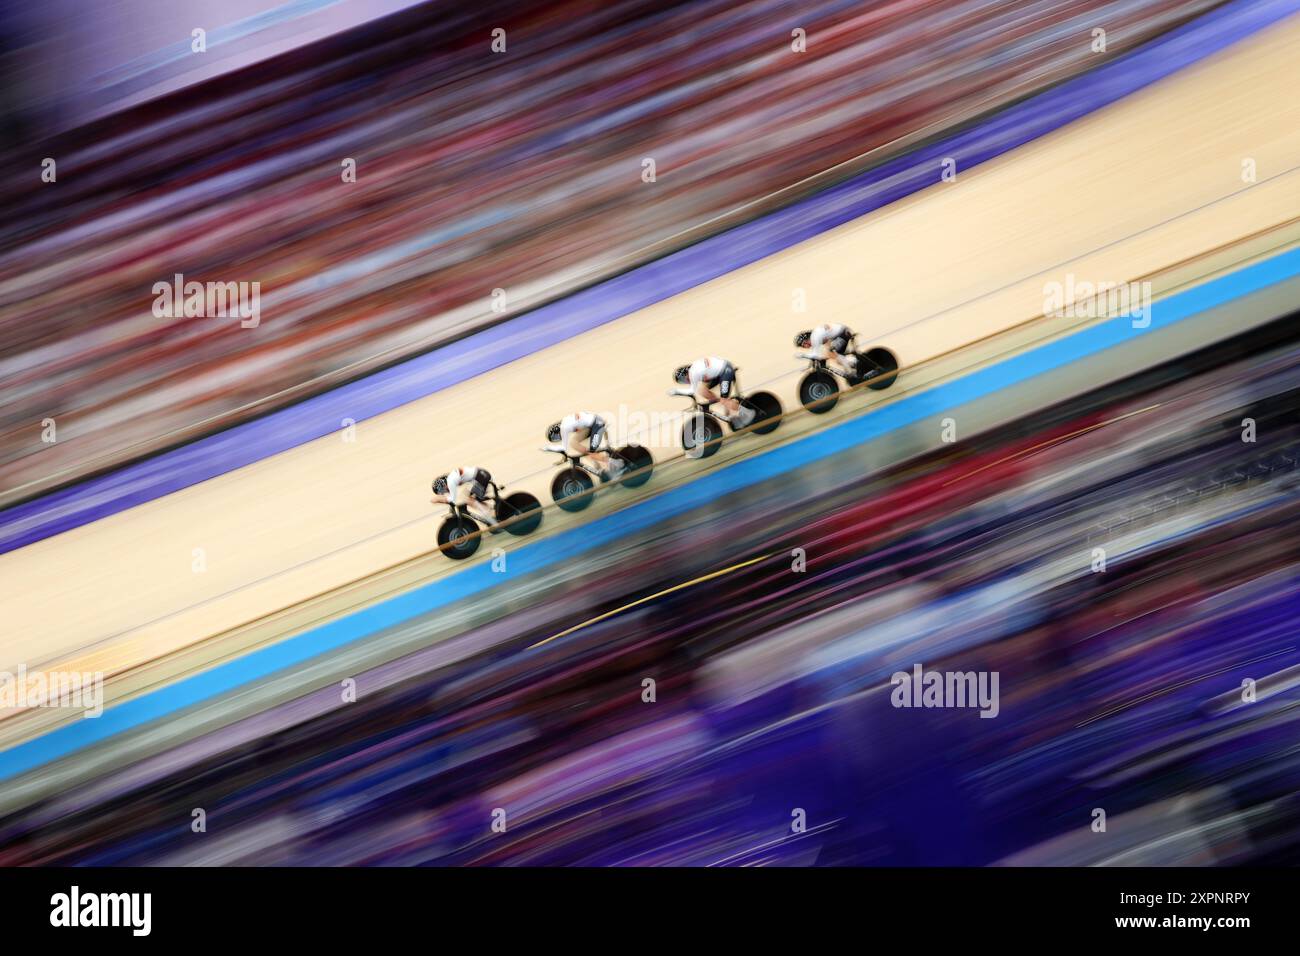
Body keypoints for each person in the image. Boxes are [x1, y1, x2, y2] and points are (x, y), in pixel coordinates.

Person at [671, 357, 756, 426]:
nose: (686, 382)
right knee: (702, 391)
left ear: (684, 376)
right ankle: (728, 407)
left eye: (683, 381)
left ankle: (748, 413)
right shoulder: (694, 369)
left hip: (725, 371)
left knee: (724, 400)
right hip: (720, 371)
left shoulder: (693, 373)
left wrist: (676, 391)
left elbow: (691, 391)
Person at [545, 411, 624, 479]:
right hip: (596, 423)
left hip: (596, 424)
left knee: (578, 446)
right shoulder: (568, 422)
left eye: (556, 437)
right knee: (585, 449)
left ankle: (616, 463)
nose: (558, 438)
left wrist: (563, 458)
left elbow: (564, 447)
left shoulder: (565, 426)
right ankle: (601, 467)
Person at [432, 466, 497, 525]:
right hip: (480, 476)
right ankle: (490, 512)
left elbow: (452, 500)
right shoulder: (450, 478)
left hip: (481, 477)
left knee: (469, 500)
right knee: (467, 498)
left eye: (443, 492)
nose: (444, 493)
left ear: (443, 486)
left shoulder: (450, 482)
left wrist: (438, 500)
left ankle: (492, 522)